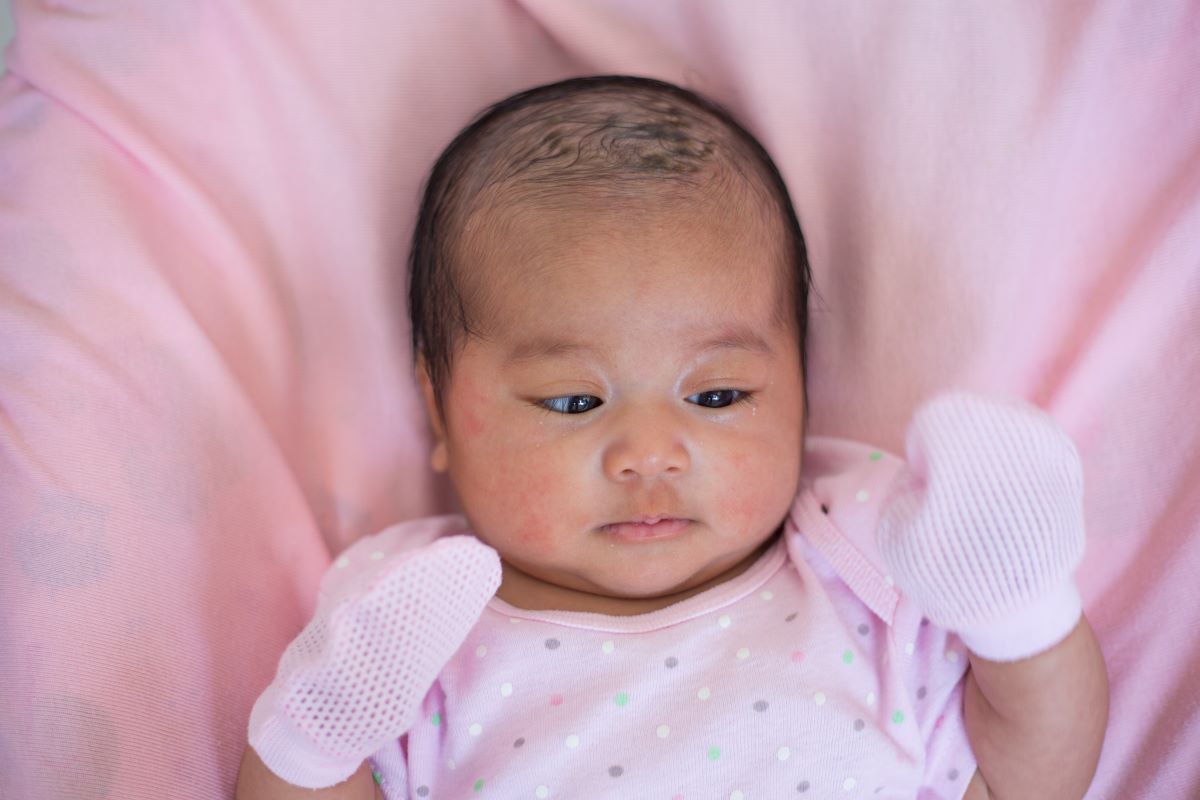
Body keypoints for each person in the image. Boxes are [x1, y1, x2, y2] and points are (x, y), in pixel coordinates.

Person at [236, 75, 1107, 800]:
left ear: (802, 389)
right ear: (438, 408)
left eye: (720, 393)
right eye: (573, 402)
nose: (649, 453)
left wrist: (1017, 615)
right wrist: (317, 740)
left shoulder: (860, 558)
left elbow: (1028, 780)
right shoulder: (416, 621)